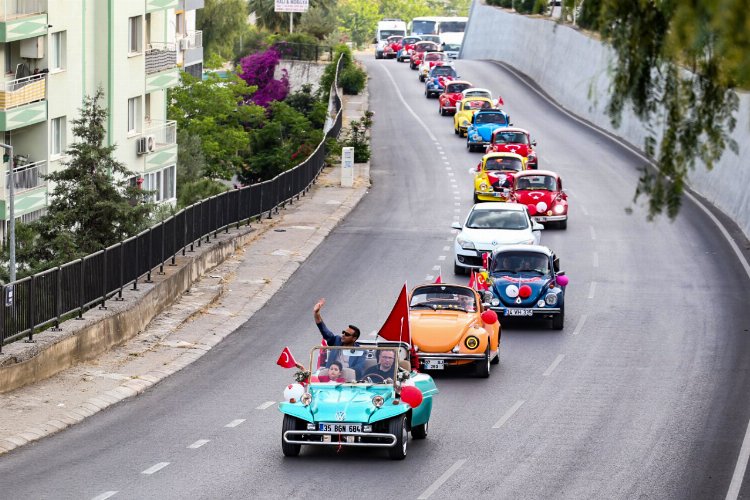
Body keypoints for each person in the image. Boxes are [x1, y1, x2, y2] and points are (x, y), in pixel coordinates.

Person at [313, 298, 365, 379]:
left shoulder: (360, 352)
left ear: (354, 338)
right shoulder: (337, 341)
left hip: (347, 380)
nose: (343, 335)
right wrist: (317, 314)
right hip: (329, 378)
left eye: (347, 334)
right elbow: (324, 331)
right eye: (343, 332)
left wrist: (341, 372)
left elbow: (359, 369)